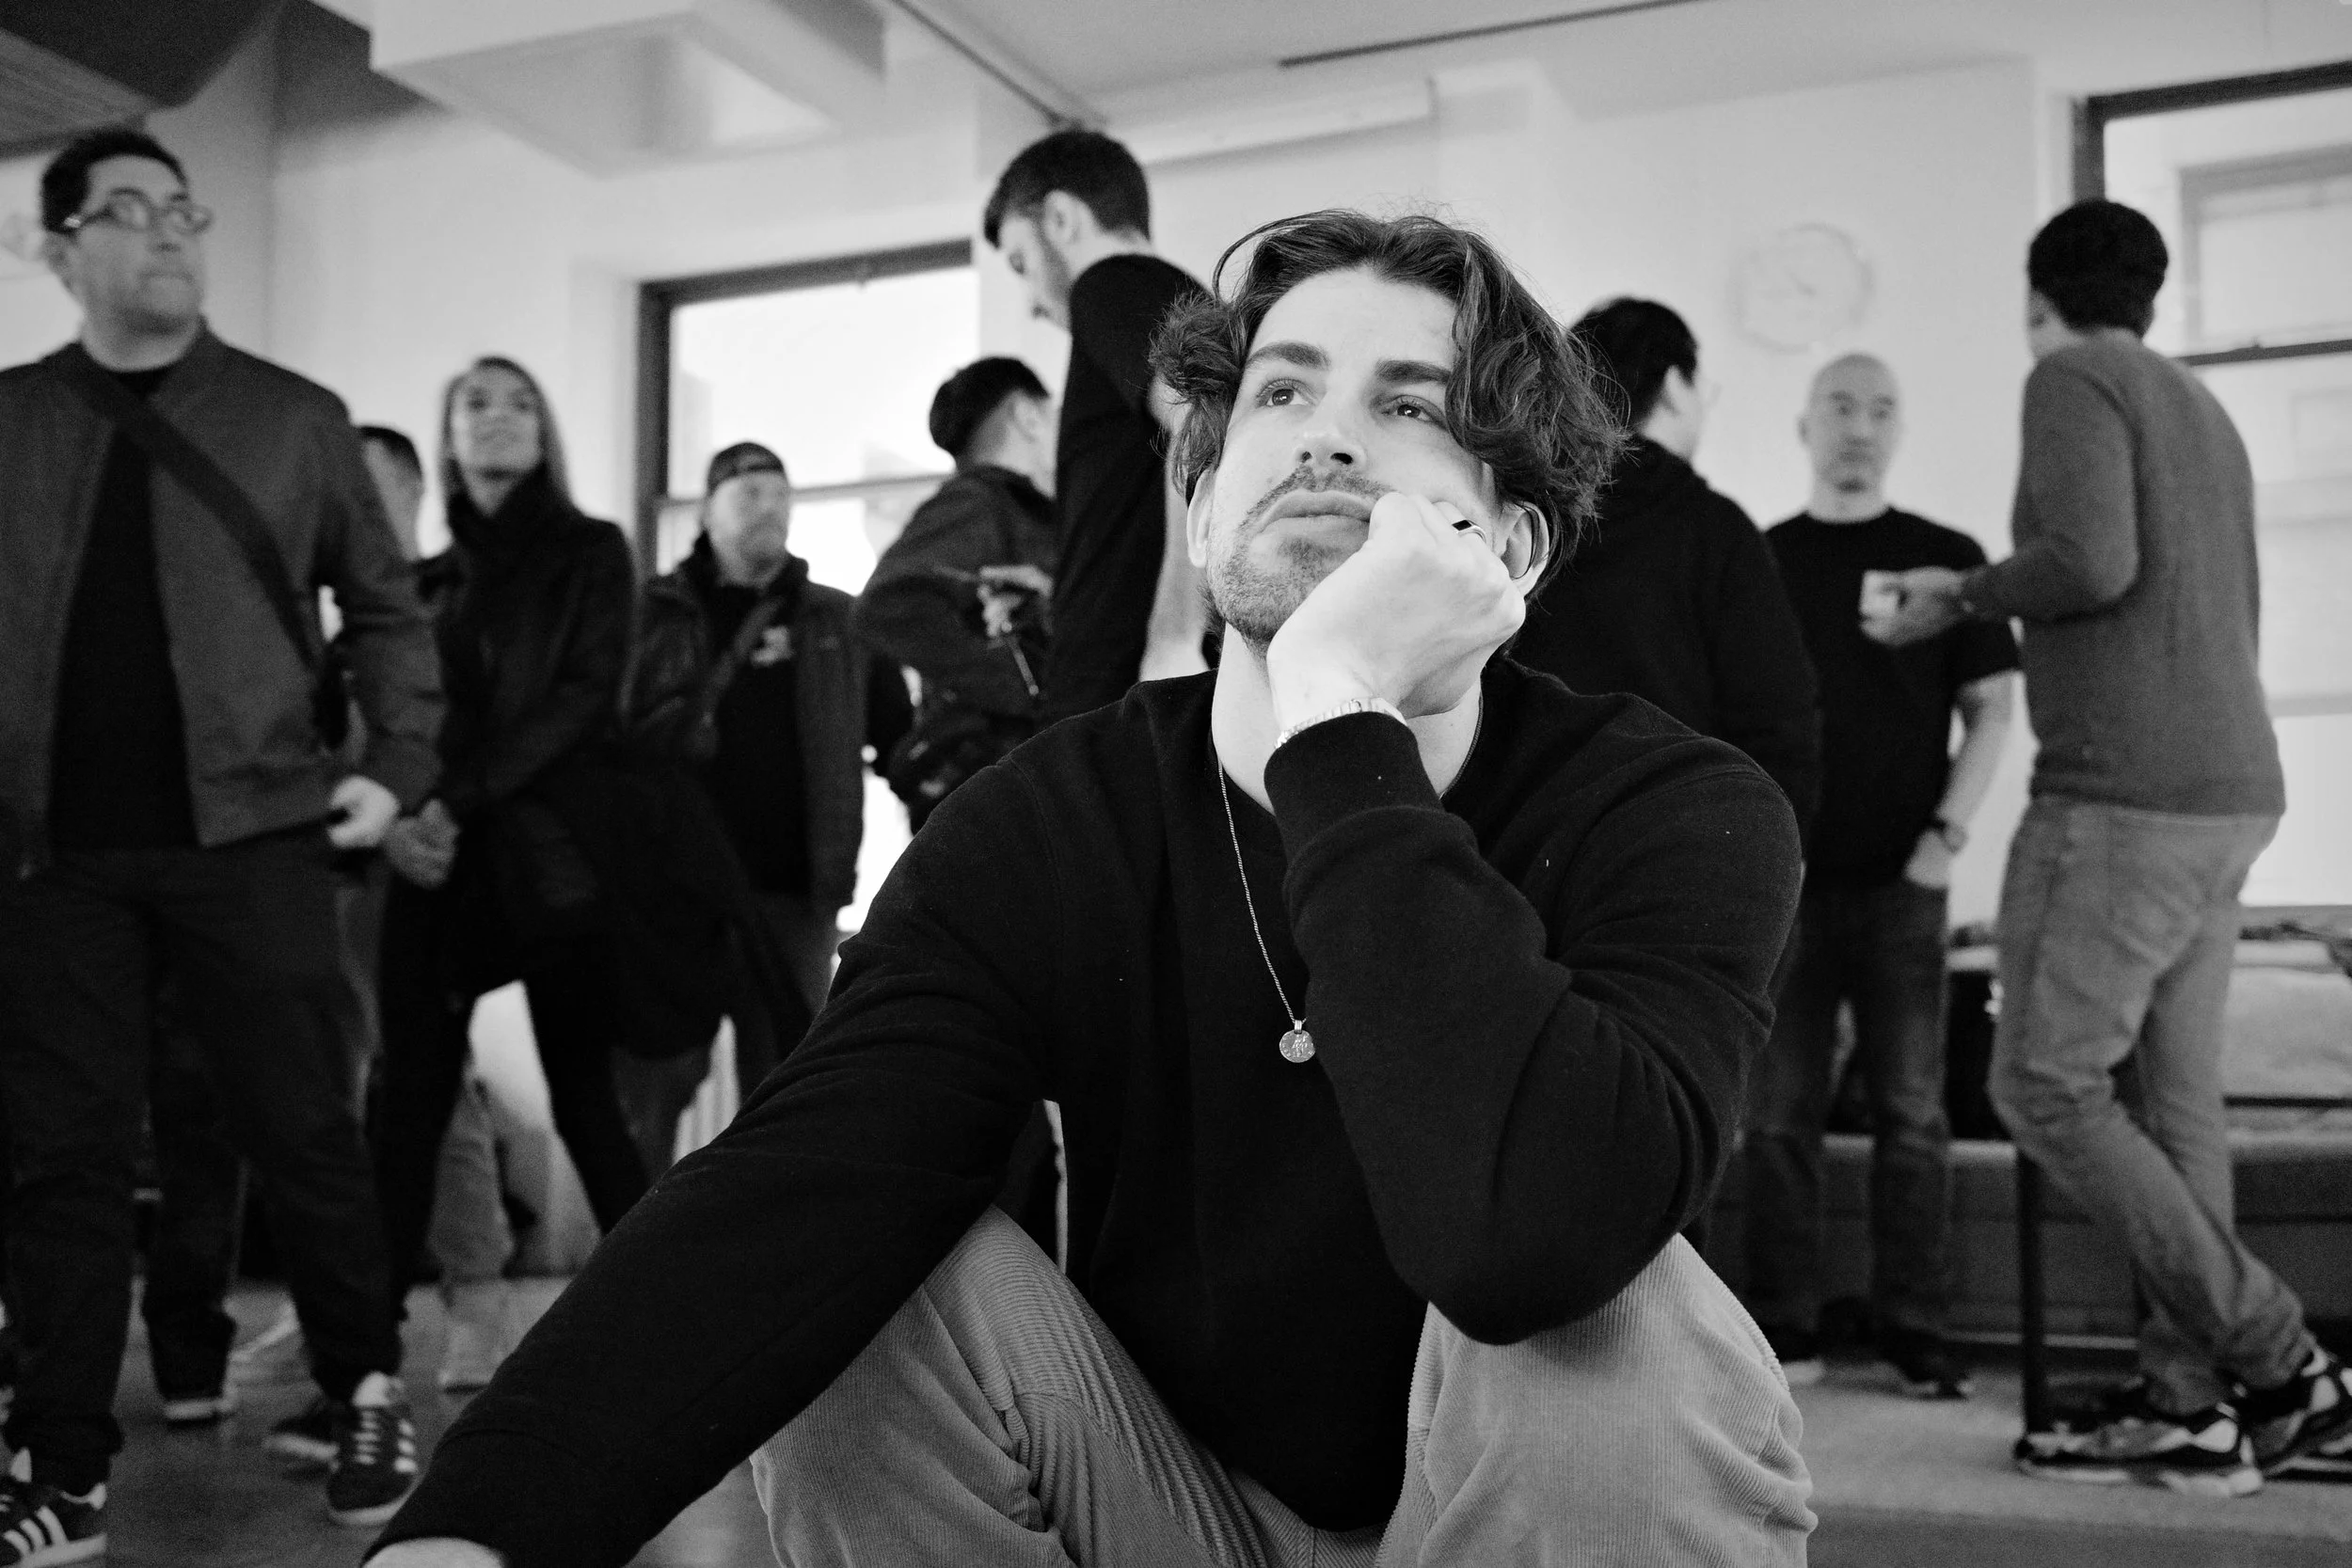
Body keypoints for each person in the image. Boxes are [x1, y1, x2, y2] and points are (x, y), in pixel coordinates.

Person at [369, 208, 1814, 1568]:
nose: (1326, 437)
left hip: (1504, 1499)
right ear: (1202, 510)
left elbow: (1530, 1237)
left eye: (1409, 407)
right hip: (1166, 1497)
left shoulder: (1667, 805)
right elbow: (804, 1178)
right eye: (1282, 393)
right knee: (864, 1289)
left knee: (1614, 1330)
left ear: (1511, 545)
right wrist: (475, 1525)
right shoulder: (1053, 818)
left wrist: (1338, 716)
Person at [0, 129, 443, 1549]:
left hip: (254, 830)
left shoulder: (294, 417)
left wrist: (399, 766)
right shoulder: (13, 419)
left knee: (302, 1125)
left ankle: (366, 1386)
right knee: (62, 1156)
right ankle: (64, 1467)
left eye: (181, 209)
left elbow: (387, 608)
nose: (166, 232)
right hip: (51, 854)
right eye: (125, 210)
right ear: (58, 248)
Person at [1870, 198, 2352, 1494]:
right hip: (2230, 790)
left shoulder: (2072, 375)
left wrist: (1962, 593)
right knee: (2173, 1104)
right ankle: (2190, 1408)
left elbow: (2091, 559)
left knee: (2042, 1083)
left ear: (2039, 297)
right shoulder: (2203, 405)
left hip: (2123, 796)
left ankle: (2284, 1365)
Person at [363, 356, 652, 1401]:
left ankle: (673, 1330)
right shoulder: (429, 579)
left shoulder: (591, 551)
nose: (497, 417)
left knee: (587, 1104)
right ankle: (362, 1371)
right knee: (407, 1105)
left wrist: (450, 801)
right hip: (442, 859)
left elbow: (579, 702)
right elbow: (400, 716)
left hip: (554, 856)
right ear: (447, 436)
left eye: (520, 402)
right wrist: (405, 822)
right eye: (474, 403)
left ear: (545, 431)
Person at [1744, 354, 2019, 1399]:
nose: (1859, 426)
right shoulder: (1760, 559)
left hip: (1907, 883)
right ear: (1804, 424)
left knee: (1914, 1114)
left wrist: (1945, 836)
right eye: (1840, 406)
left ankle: (1917, 1327)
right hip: (1786, 886)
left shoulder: (1948, 562)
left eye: (1880, 409)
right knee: (1778, 1117)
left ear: (1899, 429)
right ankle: (1782, 1324)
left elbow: (1991, 709)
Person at [618, 441, 912, 1128]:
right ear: (705, 510)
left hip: (797, 899)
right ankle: (644, 1207)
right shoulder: (651, 614)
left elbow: (902, 744)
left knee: (791, 1103)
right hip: (669, 898)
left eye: (781, 494)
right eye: (750, 492)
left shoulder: (843, 620)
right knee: (649, 1093)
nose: (770, 507)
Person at [1513, 297, 1821, 832]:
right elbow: (1778, 715)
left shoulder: (1526, 520)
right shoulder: (1713, 529)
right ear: (1677, 386)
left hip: (1528, 836)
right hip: (1680, 839)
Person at [983, 129, 1210, 721]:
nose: (1032, 301)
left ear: (1061, 218)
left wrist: (1176, 637)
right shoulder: (1162, 297)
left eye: (1021, 263)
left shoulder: (1112, 284)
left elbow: (1203, 423)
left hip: (1124, 698)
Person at [860, 356, 1059, 830]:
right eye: (1053, 412)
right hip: (996, 795)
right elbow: (886, 604)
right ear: (1028, 415)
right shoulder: (979, 501)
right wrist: (1024, 687)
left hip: (1007, 788)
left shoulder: (1010, 505)